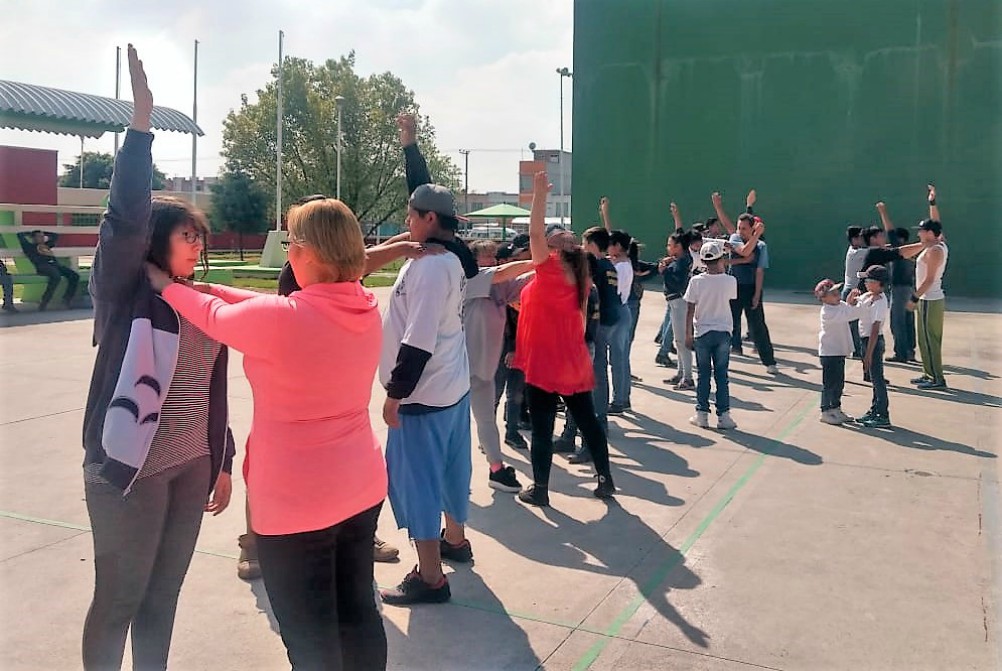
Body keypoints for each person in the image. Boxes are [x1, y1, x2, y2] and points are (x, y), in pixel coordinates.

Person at [148, 195, 389, 670]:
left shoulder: (284, 320)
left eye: (292, 242)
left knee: (309, 634)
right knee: (357, 611)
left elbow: (217, 318)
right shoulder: (363, 305)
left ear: (309, 254)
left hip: (298, 500)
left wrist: (166, 286)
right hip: (360, 485)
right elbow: (267, 306)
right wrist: (213, 287)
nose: (288, 251)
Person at [81, 46, 236, 671]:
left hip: (191, 465)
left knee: (162, 598)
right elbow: (122, 221)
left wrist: (222, 458)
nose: (196, 244)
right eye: (185, 235)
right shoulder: (125, 293)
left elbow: (211, 388)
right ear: (156, 240)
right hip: (131, 468)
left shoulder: (200, 300)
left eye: (200, 236)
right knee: (119, 598)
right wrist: (140, 127)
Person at [379, 113, 480, 606]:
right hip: (452, 388)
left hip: (421, 396)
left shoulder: (428, 268)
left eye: (412, 216)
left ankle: (431, 576)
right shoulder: (453, 258)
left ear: (429, 221)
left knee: (417, 481)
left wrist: (395, 395)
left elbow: (416, 342)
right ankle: (455, 540)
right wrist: (410, 144)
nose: (407, 223)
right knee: (453, 468)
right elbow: (426, 195)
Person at [515, 171, 616, 507]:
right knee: (587, 420)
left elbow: (534, 231)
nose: (551, 236)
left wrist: (540, 195)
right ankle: (605, 479)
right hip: (571, 358)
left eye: (554, 236)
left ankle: (540, 488)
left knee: (542, 427)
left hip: (545, 360)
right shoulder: (581, 275)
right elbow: (577, 320)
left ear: (555, 247)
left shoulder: (548, 267)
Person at [463, 239, 534, 493]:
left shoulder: (499, 284)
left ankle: (496, 469)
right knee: (455, 427)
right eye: (487, 256)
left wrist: (552, 265)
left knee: (486, 421)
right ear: (474, 261)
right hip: (459, 369)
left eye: (494, 256)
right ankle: (447, 477)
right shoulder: (470, 280)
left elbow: (523, 281)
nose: (493, 260)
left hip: (483, 371)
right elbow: (505, 272)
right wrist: (540, 259)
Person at [555, 224, 620, 460]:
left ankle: (590, 441)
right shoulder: (604, 269)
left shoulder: (588, 282)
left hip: (588, 339)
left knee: (587, 392)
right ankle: (569, 435)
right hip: (593, 335)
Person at [685, 240, 738, 430]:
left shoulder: (696, 281)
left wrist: (688, 334)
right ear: (721, 258)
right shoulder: (730, 281)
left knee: (703, 374)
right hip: (723, 331)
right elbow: (731, 300)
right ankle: (724, 416)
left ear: (703, 261)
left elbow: (690, 309)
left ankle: (702, 415)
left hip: (702, 332)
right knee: (722, 375)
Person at [727, 208, 778, 374]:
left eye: (744, 228)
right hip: (733, 287)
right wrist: (756, 235)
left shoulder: (761, 246)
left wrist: (757, 294)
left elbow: (759, 271)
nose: (740, 231)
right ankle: (721, 358)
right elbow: (745, 251)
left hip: (750, 288)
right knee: (728, 324)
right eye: (739, 227)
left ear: (751, 228)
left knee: (758, 326)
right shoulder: (735, 239)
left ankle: (769, 362)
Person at [909, 185, 949, 390]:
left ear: (931, 234)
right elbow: (937, 223)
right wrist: (932, 202)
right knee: (923, 339)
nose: (919, 233)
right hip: (926, 300)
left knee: (930, 340)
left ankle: (937, 379)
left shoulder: (935, 251)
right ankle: (928, 373)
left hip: (930, 300)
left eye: (922, 231)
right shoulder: (935, 243)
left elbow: (930, 279)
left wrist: (914, 298)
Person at [600, 199, 635, 414]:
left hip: (617, 311)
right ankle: (623, 398)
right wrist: (605, 213)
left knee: (618, 359)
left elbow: (614, 292)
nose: (608, 247)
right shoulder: (622, 262)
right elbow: (609, 235)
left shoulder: (620, 267)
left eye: (611, 244)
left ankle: (619, 400)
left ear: (619, 247)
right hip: (622, 311)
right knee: (621, 358)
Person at [814, 279, 865, 425]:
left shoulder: (839, 305)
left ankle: (836, 408)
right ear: (823, 298)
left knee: (839, 383)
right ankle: (825, 411)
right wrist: (861, 303)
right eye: (833, 294)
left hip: (839, 352)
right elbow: (850, 314)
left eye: (837, 292)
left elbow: (849, 309)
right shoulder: (828, 312)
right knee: (829, 384)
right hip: (829, 354)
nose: (837, 295)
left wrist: (852, 301)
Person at [873, 203, 917, 363]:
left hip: (899, 290)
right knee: (908, 321)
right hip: (910, 288)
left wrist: (883, 212)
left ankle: (901, 354)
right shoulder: (911, 252)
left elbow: (890, 231)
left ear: (900, 239)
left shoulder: (900, 250)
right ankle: (910, 351)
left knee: (897, 322)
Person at [855, 265, 892, 427]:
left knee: (878, 380)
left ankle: (883, 415)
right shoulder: (867, 296)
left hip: (874, 343)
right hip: (865, 341)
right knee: (874, 379)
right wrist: (851, 298)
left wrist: (868, 354)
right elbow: (854, 308)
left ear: (879, 283)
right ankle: (874, 409)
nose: (866, 283)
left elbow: (875, 330)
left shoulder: (880, 302)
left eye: (869, 280)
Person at [661, 230, 695, 390]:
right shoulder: (679, 260)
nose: (668, 248)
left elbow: (678, 283)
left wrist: (665, 271)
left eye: (670, 245)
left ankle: (688, 378)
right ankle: (681, 373)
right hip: (676, 303)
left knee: (683, 341)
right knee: (679, 341)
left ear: (679, 246)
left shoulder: (683, 262)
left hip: (681, 303)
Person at [16, 228, 80, 310]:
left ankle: (67, 299)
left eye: (43, 236)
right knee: (56, 277)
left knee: (74, 276)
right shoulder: (29, 247)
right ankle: (45, 301)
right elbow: (19, 235)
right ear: (33, 238)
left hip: (55, 265)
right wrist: (29, 233)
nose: (42, 238)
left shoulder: (47, 245)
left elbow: (55, 236)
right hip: (43, 266)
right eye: (39, 236)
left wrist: (43, 232)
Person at [842, 225, 869, 358]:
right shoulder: (856, 253)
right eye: (861, 237)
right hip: (852, 292)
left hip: (852, 290)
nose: (863, 239)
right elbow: (877, 250)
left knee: (854, 323)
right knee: (854, 324)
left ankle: (856, 350)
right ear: (854, 239)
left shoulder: (856, 250)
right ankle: (856, 351)